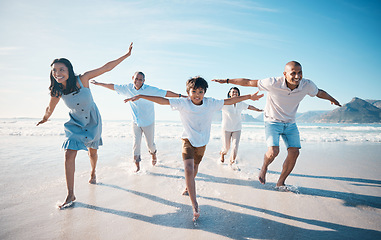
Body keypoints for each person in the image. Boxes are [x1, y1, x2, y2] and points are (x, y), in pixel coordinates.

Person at [124, 76, 263, 221]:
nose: (197, 95)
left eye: (201, 91)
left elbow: (229, 101)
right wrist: (141, 95)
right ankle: (194, 204)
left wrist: (248, 97)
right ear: (188, 92)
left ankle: (188, 186)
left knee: (195, 168)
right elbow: (163, 100)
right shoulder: (183, 103)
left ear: (205, 92)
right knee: (189, 169)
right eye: (194, 91)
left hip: (202, 142)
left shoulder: (210, 103)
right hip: (187, 140)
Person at [212, 61, 341, 190]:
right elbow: (248, 82)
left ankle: (280, 182)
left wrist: (332, 99)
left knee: (294, 152)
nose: (297, 76)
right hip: (272, 121)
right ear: (285, 74)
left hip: (290, 123)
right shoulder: (273, 83)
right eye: (293, 73)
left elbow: (319, 92)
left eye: (300, 73)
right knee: (274, 151)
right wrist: (227, 81)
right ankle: (264, 168)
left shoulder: (307, 85)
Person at [37, 42, 133, 208]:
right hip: (75, 123)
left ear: (69, 70)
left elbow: (107, 67)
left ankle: (93, 171)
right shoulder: (57, 90)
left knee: (92, 152)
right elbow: (49, 108)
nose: (57, 73)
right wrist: (45, 118)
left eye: (61, 70)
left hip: (93, 121)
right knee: (68, 154)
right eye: (54, 70)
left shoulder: (83, 79)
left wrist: (126, 55)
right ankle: (70, 194)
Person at [91, 72, 183, 172]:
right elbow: (113, 86)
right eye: (136, 79)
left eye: (140, 79)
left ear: (144, 81)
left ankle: (153, 154)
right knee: (136, 144)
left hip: (148, 122)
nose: (138, 81)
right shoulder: (127, 88)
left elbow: (166, 93)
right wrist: (99, 83)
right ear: (132, 78)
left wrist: (181, 96)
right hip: (135, 122)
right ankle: (137, 166)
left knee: (150, 145)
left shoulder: (150, 89)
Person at [220, 87, 263, 167]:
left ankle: (231, 163)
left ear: (238, 94)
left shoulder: (241, 104)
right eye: (233, 92)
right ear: (229, 93)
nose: (235, 93)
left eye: (236, 92)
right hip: (226, 128)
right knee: (226, 148)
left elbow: (250, 106)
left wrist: (258, 110)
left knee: (235, 146)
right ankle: (222, 153)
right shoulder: (225, 103)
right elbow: (214, 106)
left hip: (237, 128)